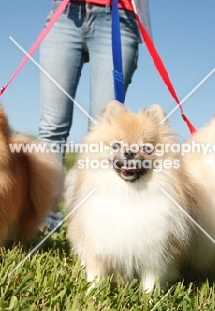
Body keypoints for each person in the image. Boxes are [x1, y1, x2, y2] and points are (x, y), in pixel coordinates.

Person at [39, 0, 151, 230]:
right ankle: (44, 216)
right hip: (65, 14)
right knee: (52, 128)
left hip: (119, 17)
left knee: (104, 134)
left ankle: (92, 221)